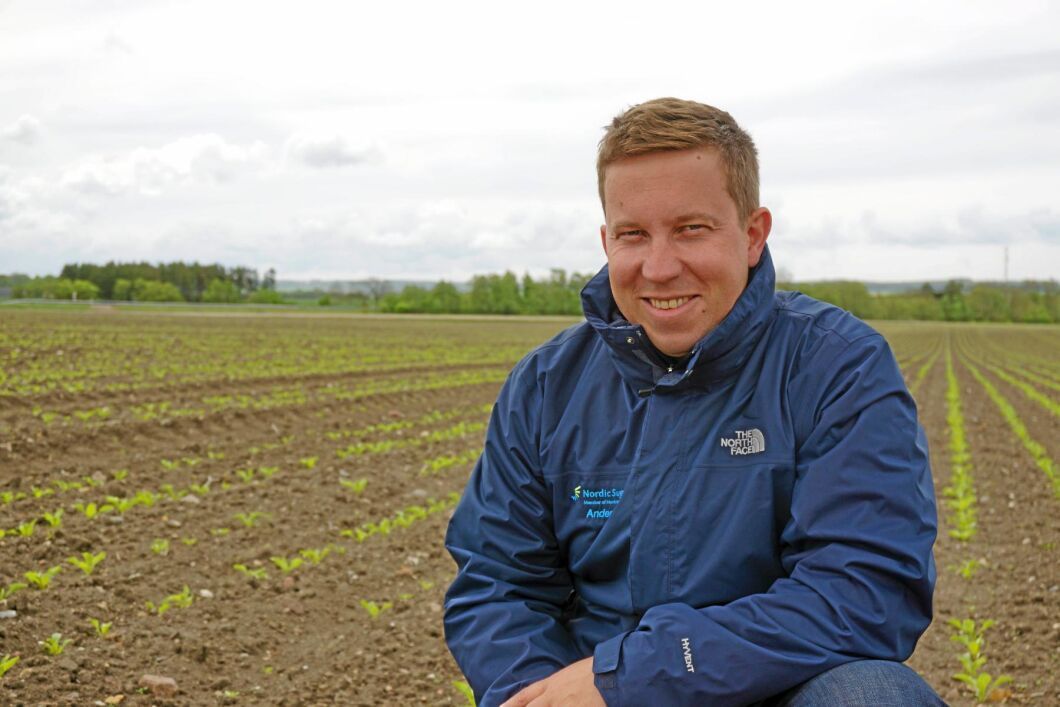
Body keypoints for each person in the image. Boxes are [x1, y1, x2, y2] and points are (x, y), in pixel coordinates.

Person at [443, 97, 942, 706]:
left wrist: (637, 677)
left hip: (776, 688)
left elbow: (866, 592)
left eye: (690, 230)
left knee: (871, 697)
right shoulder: (547, 385)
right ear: (607, 242)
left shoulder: (836, 365)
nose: (658, 267)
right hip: (594, 690)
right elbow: (498, 585)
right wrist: (543, 695)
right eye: (634, 235)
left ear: (752, 235)